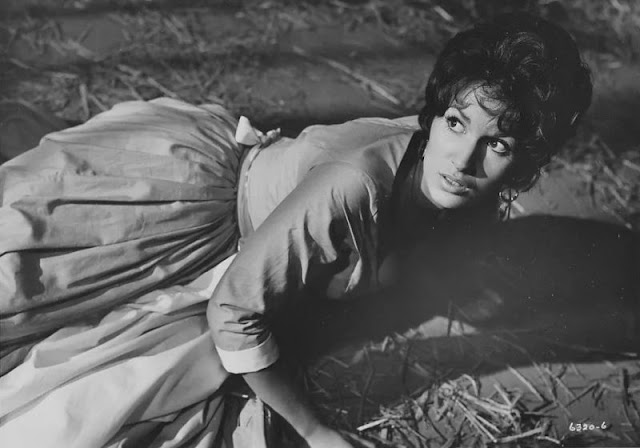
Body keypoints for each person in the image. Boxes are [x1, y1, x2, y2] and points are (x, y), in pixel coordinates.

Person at [0, 12, 592, 448]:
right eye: (456, 124)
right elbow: (234, 312)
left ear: (527, 160)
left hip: (263, 227)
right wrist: (314, 431)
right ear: (434, 115)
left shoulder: (456, 186)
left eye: (497, 144)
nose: (462, 161)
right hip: (191, 215)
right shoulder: (353, 184)